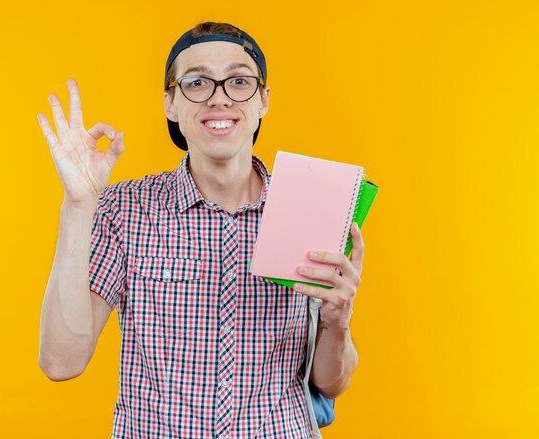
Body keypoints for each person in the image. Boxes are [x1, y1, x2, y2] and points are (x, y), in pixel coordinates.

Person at [37, 21, 365, 439]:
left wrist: (338, 320)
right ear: (171, 104)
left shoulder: (309, 205)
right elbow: (61, 362)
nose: (219, 98)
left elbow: (331, 383)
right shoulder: (126, 208)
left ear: (263, 100)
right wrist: (78, 205)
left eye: (239, 81)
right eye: (197, 83)